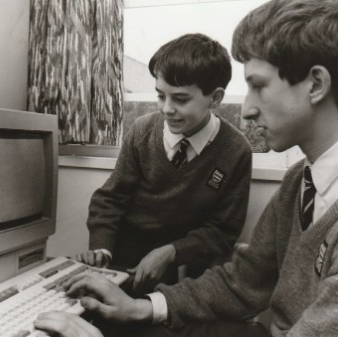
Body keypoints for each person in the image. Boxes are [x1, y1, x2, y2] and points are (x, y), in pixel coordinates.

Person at [33, 0, 338, 336]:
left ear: (316, 85)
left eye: (259, 86)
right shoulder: (299, 181)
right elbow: (242, 283)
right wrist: (141, 308)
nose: (247, 109)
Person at [76, 33, 252, 294]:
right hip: (121, 266)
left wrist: (171, 253)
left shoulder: (236, 150)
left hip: (183, 278)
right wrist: (102, 249)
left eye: (180, 100)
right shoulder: (142, 130)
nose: (166, 109)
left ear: (215, 98)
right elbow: (110, 199)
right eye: (161, 96)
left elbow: (222, 231)